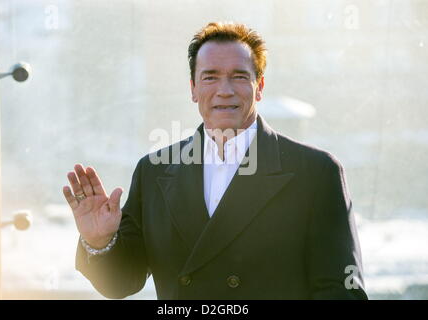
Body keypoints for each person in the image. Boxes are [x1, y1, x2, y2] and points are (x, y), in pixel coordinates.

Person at [63, 22, 367, 299]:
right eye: (210, 77)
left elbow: (341, 292)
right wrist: (99, 242)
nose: (225, 90)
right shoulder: (153, 171)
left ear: (259, 87)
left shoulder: (315, 173)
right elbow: (121, 283)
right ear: (193, 89)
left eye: (239, 76)